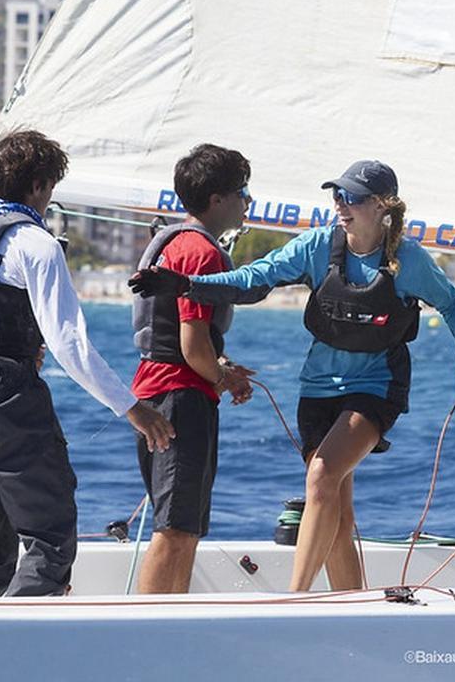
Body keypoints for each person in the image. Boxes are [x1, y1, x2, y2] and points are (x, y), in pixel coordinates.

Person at [129, 159, 455, 591]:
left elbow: (452, 304)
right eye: (337, 196)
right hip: (317, 390)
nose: (340, 205)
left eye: (351, 198)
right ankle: (353, 604)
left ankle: (295, 600)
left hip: (375, 387)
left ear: (382, 206)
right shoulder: (316, 246)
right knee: (335, 507)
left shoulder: (408, 261)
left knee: (321, 476)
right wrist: (186, 285)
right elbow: (253, 280)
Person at [0, 129, 174, 597]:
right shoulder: (36, 244)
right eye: (51, 187)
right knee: (49, 535)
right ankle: (22, 650)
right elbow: (68, 345)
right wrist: (133, 408)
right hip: (8, 399)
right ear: (38, 186)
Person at [130, 144, 263, 594]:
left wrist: (221, 365)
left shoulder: (172, 242)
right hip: (180, 399)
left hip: (156, 391)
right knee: (175, 529)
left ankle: (168, 625)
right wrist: (224, 377)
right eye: (242, 192)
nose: (247, 202)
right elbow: (191, 346)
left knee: (182, 526)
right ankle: (144, 634)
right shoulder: (200, 253)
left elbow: (189, 337)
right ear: (217, 200)